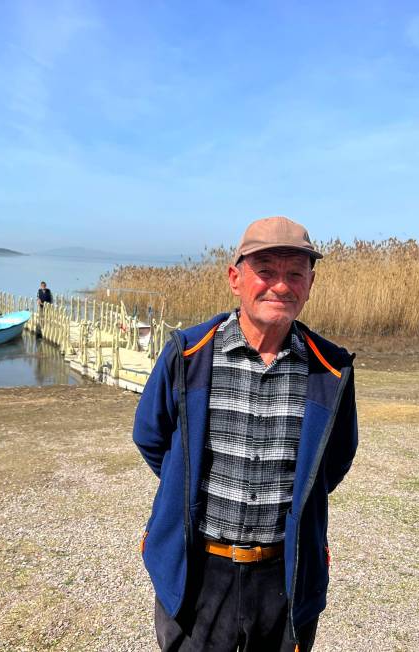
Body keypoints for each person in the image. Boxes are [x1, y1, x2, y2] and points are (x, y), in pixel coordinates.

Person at [133, 216, 358, 651]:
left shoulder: (330, 369)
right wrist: (185, 484)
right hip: (199, 569)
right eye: (266, 271)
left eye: (295, 273)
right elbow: (151, 436)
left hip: (284, 573)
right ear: (235, 278)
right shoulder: (189, 353)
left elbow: (336, 460)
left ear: (310, 283)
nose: (281, 285)